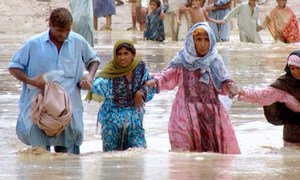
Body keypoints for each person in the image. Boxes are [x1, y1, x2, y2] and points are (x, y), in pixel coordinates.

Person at [8, 8, 100, 154]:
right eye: (59, 30)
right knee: (39, 158)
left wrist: (89, 76)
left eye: (67, 30)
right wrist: (32, 81)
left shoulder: (78, 41)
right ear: (50, 24)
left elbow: (93, 60)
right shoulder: (33, 44)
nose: (63, 34)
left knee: (68, 159)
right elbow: (14, 67)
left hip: (68, 111)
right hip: (39, 110)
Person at [147, 22, 240, 153]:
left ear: (211, 41)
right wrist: (154, 81)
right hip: (184, 113)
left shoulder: (215, 60)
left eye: (206, 40)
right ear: (192, 41)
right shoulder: (182, 60)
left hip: (210, 114)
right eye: (199, 39)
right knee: (183, 154)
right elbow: (166, 77)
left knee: (211, 158)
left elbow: (223, 84)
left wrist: (231, 87)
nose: (203, 44)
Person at [88, 39, 156, 152]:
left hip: (135, 120)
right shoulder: (110, 71)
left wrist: (141, 91)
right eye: (119, 54)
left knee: (138, 154)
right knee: (111, 157)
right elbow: (97, 87)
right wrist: (88, 84)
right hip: (112, 121)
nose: (122, 57)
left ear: (133, 54)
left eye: (126, 53)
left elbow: (151, 82)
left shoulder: (140, 67)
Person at [236, 51, 300, 147]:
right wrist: (242, 91)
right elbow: (262, 95)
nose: (295, 72)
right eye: (292, 68)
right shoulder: (284, 85)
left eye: (298, 68)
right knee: (291, 160)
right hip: (293, 136)